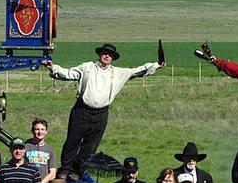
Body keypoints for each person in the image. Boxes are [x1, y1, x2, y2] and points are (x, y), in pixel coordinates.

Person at [46, 43, 162, 171]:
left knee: (90, 145)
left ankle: (79, 171)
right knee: (73, 141)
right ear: (100, 54)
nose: (107, 56)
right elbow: (68, 73)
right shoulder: (87, 67)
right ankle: (66, 169)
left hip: (101, 114)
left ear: (113, 58)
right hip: (82, 110)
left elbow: (138, 71)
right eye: (105, 53)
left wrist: (156, 65)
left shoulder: (118, 73)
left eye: (110, 55)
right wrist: (53, 67)